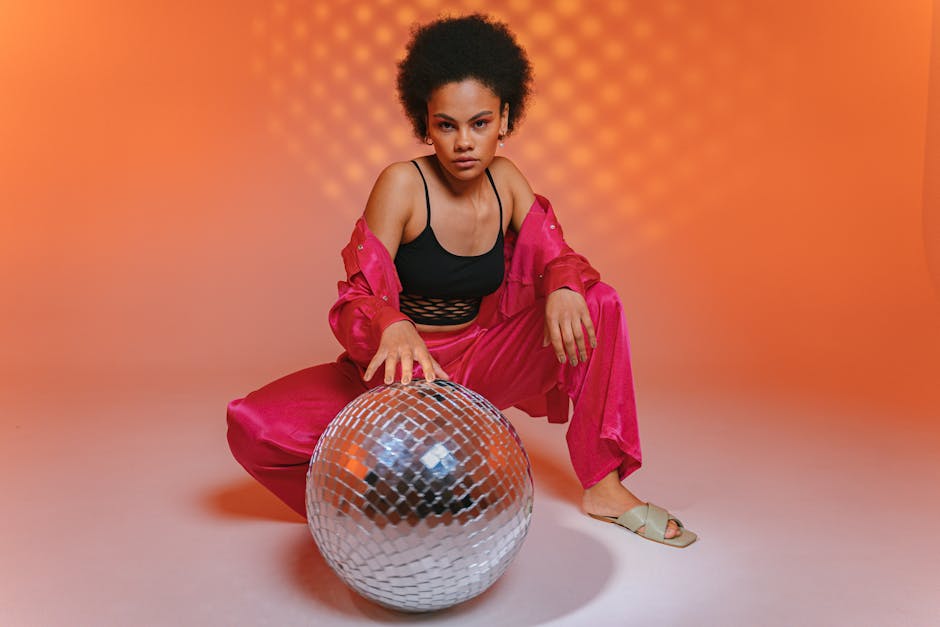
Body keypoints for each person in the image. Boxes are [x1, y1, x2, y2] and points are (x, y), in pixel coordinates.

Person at [227, 13, 696, 548]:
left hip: (481, 370)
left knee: (599, 301)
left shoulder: (508, 181)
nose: (463, 143)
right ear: (425, 124)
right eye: (446, 125)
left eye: (480, 123)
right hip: (401, 379)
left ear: (506, 118)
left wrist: (564, 282)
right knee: (252, 424)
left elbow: (559, 256)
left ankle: (604, 487)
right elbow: (357, 295)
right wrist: (391, 323)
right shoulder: (402, 184)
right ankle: (376, 502)